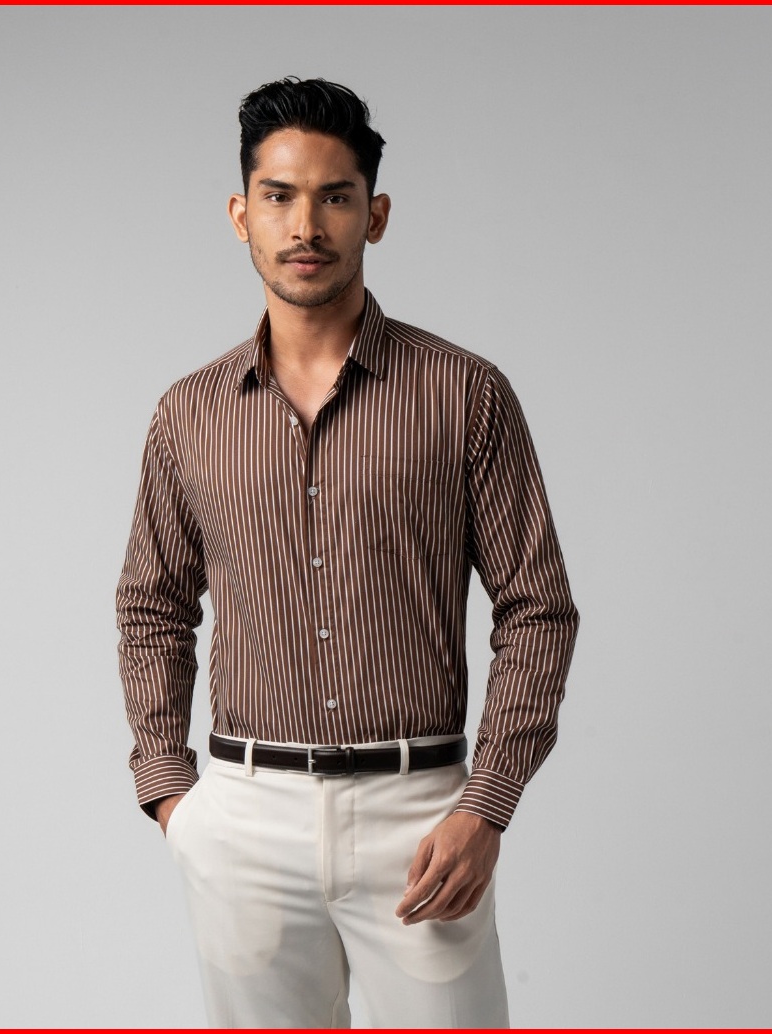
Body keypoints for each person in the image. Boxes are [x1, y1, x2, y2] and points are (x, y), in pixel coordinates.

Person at [116, 76, 579, 1029]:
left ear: (376, 215)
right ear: (241, 215)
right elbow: (152, 605)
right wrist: (172, 795)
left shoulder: (464, 394)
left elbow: (538, 609)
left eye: (333, 196)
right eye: (279, 196)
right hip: (243, 821)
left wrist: (485, 805)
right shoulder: (188, 415)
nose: (305, 225)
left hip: (423, 818)